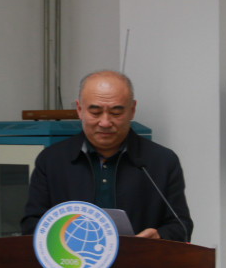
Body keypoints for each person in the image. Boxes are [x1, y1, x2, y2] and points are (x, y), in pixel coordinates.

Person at [20, 70, 193, 242]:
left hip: (140, 258)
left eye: (116, 113)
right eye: (95, 112)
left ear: (132, 110)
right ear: (79, 109)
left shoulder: (162, 161)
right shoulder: (52, 160)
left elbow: (182, 226)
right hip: (69, 256)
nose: (105, 122)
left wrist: (159, 237)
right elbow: (31, 224)